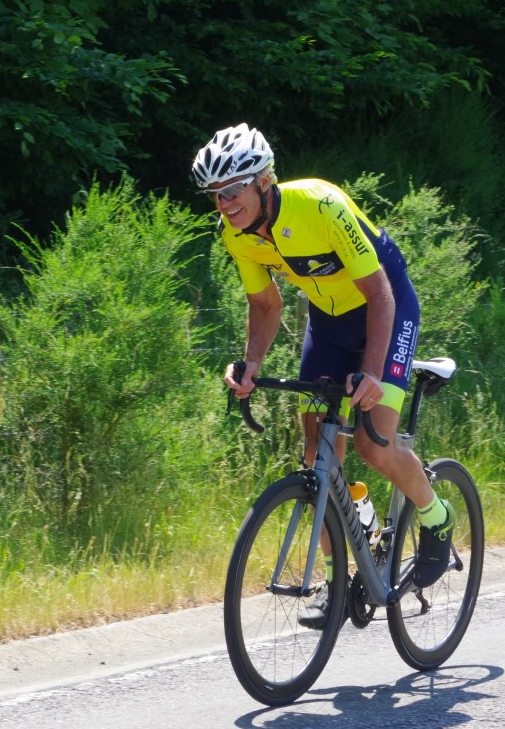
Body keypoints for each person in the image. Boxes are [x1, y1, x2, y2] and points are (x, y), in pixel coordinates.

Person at [192, 123, 454, 628]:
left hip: (387, 307)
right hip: (330, 327)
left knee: (373, 445)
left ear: (263, 182)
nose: (224, 204)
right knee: (318, 457)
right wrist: (251, 366)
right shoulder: (234, 233)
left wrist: (372, 372)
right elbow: (265, 304)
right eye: (215, 195)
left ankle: (436, 516)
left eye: (232, 190)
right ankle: (337, 584)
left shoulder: (320, 205)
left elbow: (380, 294)